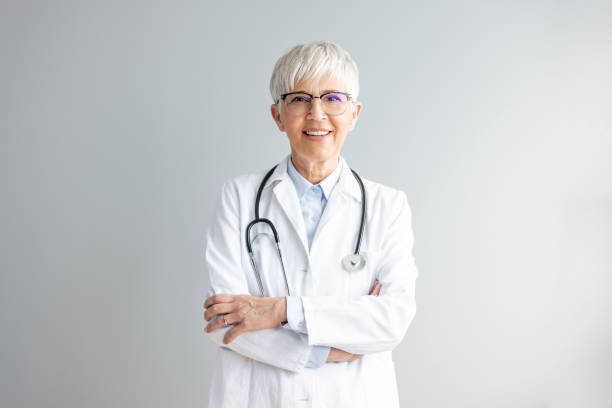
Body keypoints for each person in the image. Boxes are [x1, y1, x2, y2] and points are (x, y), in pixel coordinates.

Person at [202, 40, 418, 408]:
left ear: (354, 112)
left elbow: (391, 320)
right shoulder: (238, 198)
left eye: (333, 98)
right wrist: (324, 351)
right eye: (299, 99)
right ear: (278, 115)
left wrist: (280, 310)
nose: (317, 113)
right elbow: (225, 323)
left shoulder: (388, 206)